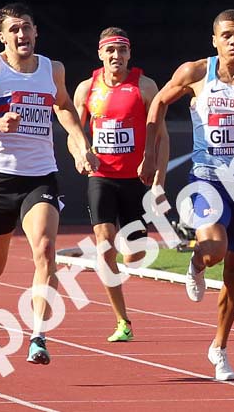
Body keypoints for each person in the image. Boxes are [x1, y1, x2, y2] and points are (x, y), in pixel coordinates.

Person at [140, 9, 234, 381]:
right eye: (228, 36)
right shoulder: (196, 73)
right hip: (206, 181)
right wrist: (150, 153)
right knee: (216, 249)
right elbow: (158, 103)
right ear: (215, 40)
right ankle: (198, 262)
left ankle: (219, 348)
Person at [0, 2, 98, 365]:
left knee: (46, 248)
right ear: (2, 36)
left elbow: (63, 106)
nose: (22, 35)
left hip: (40, 175)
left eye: (28, 28)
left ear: (36, 32)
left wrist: (80, 146)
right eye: (14, 29)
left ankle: (38, 336)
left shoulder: (53, 69)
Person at [72, 27, 158, 343]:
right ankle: (122, 320)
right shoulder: (87, 88)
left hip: (135, 179)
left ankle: (128, 246)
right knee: (103, 241)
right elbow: (73, 131)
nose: (116, 57)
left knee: (133, 253)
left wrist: (156, 170)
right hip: (102, 176)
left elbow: (159, 135)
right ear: (100, 54)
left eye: (121, 51)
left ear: (129, 54)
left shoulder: (145, 86)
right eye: (110, 51)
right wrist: (81, 153)